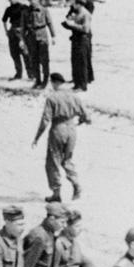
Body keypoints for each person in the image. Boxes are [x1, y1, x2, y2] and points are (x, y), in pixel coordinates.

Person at [31, 72, 90, 202]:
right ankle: (76, 184)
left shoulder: (52, 98)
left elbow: (45, 120)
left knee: (53, 162)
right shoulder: (74, 96)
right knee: (67, 160)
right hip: (71, 129)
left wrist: (37, 137)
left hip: (58, 129)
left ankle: (56, 193)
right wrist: (80, 120)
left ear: (54, 82)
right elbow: (87, 117)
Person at [22, 0, 54, 88]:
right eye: (31, 0)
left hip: (42, 35)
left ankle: (45, 80)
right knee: (34, 59)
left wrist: (53, 36)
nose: (33, 2)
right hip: (31, 37)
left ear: (38, 0)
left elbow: (50, 23)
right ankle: (37, 80)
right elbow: (23, 27)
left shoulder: (44, 10)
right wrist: (22, 40)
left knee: (44, 59)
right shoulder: (25, 12)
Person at [62, 0, 92, 91]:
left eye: (74, 4)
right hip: (75, 39)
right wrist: (67, 25)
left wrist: (71, 25)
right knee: (75, 62)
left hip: (82, 40)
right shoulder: (77, 13)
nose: (72, 6)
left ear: (79, 4)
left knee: (81, 63)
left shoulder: (85, 14)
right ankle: (77, 83)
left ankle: (82, 85)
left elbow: (85, 29)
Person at [2, 0, 28, 81]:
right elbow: (4, 20)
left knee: (25, 53)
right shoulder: (8, 9)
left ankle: (31, 74)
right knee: (14, 53)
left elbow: (28, 19)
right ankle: (18, 73)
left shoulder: (24, 7)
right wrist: (6, 31)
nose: (12, 0)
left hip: (22, 30)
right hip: (12, 31)